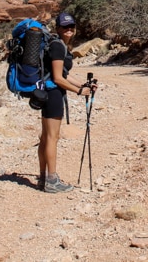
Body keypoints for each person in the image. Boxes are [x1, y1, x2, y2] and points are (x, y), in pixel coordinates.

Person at [37, 11, 97, 193]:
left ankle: (43, 178)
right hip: (53, 94)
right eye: (65, 26)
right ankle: (52, 180)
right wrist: (79, 91)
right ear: (58, 28)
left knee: (46, 137)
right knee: (51, 138)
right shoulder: (57, 46)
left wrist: (83, 84)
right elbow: (57, 78)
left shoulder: (60, 45)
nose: (69, 29)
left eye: (71, 26)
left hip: (48, 93)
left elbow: (64, 74)